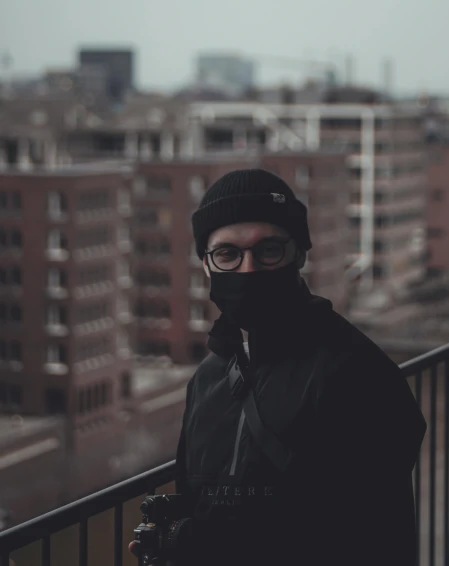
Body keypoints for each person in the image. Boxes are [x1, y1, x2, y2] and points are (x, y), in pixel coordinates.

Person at [131, 168, 426, 565]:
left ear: (298, 255)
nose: (248, 268)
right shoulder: (207, 379)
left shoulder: (357, 374)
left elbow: (364, 535)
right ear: (206, 265)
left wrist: (206, 546)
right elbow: (198, 500)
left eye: (268, 250)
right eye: (227, 253)